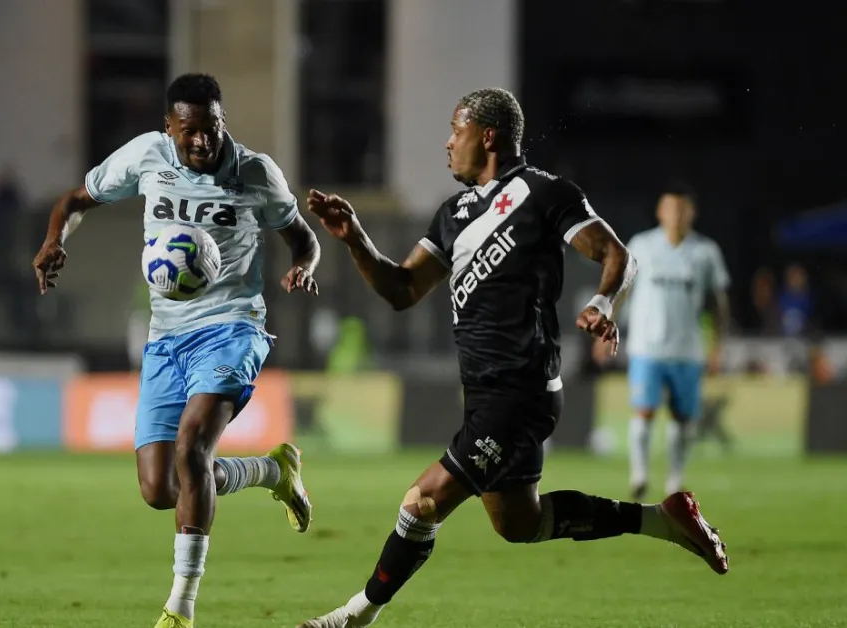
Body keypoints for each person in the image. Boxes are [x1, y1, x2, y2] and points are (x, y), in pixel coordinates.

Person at [298, 88, 728, 628]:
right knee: (520, 523)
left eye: (457, 131)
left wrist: (601, 303)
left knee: (422, 502)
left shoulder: (545, 193)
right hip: (482, 393)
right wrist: (356, 238)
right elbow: (403, 289)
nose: (448, 143)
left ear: (488, 135)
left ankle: (356, 615)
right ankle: (664, 520)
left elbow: (617, 253)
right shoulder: (451, 215)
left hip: (522, 391)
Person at [32, 73, 321, 628]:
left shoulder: (256, 172)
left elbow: (302, 237)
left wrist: (304, 266)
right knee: (160, 487)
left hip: (233, 327)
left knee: (193, 448)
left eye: (211, 129)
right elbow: (75, 200)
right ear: (169, 128)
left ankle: (180, 607)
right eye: (189, 131)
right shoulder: (146, 156)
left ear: (222, 122)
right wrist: (52, 241)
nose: (201, 142)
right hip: (166, 338)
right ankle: (271, 472)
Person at [622, 185, 731, 500]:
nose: (676, 215)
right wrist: (610, 323)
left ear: (692, 214)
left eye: (682, 209)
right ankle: (639, 474)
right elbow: (623, 288)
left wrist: (717, 344)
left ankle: (673, 480)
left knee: (683, 419)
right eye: (670, 208)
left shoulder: (705, 251)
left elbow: (718, 300)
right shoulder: (641, 245)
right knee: (644, 413)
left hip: (688, 349)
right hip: (646, 347)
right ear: (660, 212)